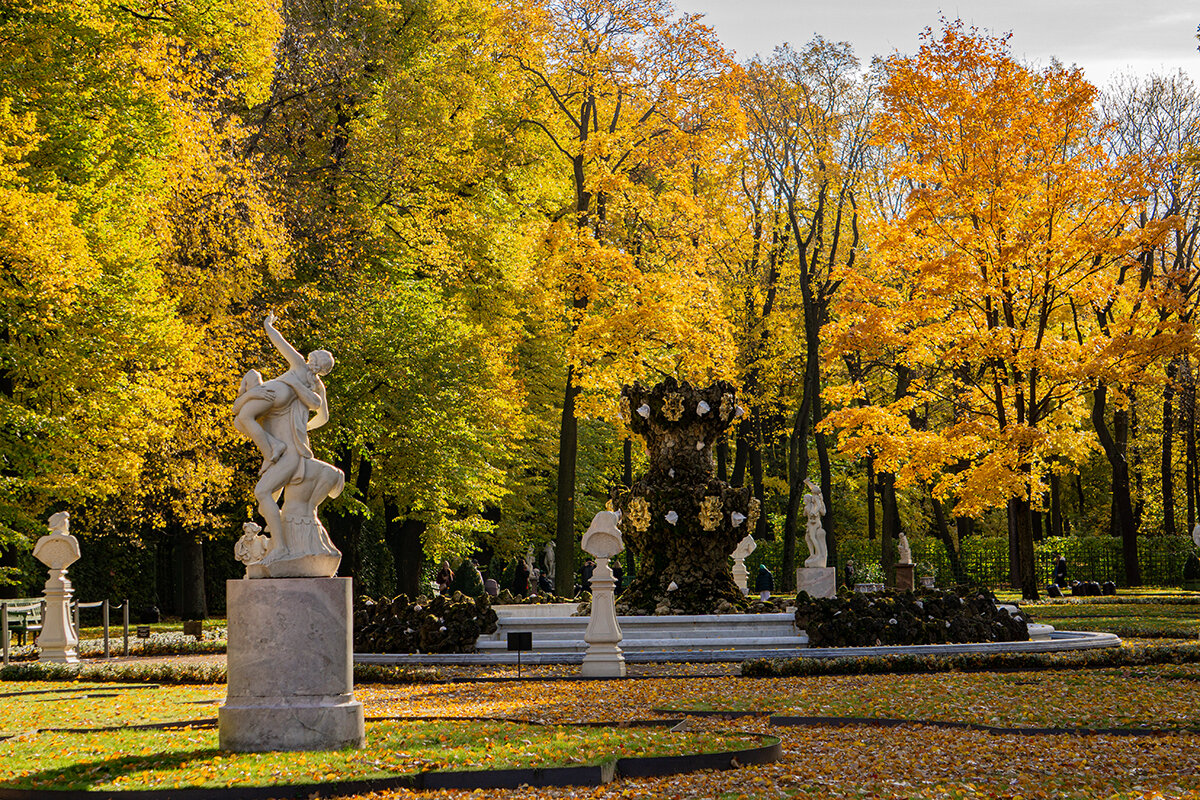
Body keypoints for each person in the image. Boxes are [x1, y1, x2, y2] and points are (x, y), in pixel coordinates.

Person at [232, 313, 343, 555]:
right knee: (263, 503)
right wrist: (304, 429)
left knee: (262, 493)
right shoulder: (315, 385)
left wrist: (268, 326)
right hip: (289, 444)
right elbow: (323, 417)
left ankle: (281, 547)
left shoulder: (301, 370)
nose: (311, 363)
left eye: (314, 361)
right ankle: (271, 447)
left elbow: (281, 343)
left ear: (314, 361)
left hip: (290, 452)